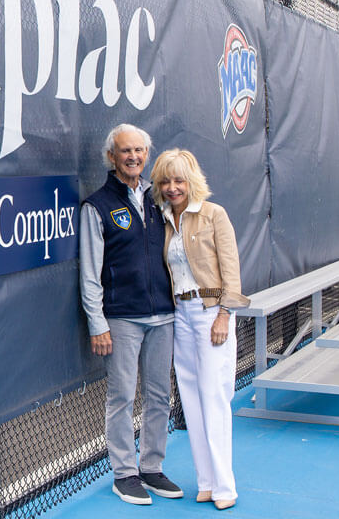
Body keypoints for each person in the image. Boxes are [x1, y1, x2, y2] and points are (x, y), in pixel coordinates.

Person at [80, 124, 182, 506]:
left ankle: (152, 467)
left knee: (159, 395)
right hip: (122, 319)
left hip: (163, 316)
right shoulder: (96, 206)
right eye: (126, 151)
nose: (133, 157)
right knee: (121, 396)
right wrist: (97, 323)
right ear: (112, 156)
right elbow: (90, 273)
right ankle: (124, 473)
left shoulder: (160, 200)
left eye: (139, 150)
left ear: (146, 154)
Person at [150, 149, 249, 511]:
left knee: (214, 396)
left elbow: (231, 271)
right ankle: (206, 482)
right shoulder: (163, 219)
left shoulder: (213, 214)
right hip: (180, 315)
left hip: (211, 314)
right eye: (165, 181)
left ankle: (224, 486)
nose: (172, 187)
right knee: (191, 399)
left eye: (179, 180)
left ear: (191, 180)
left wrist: (224, 314)